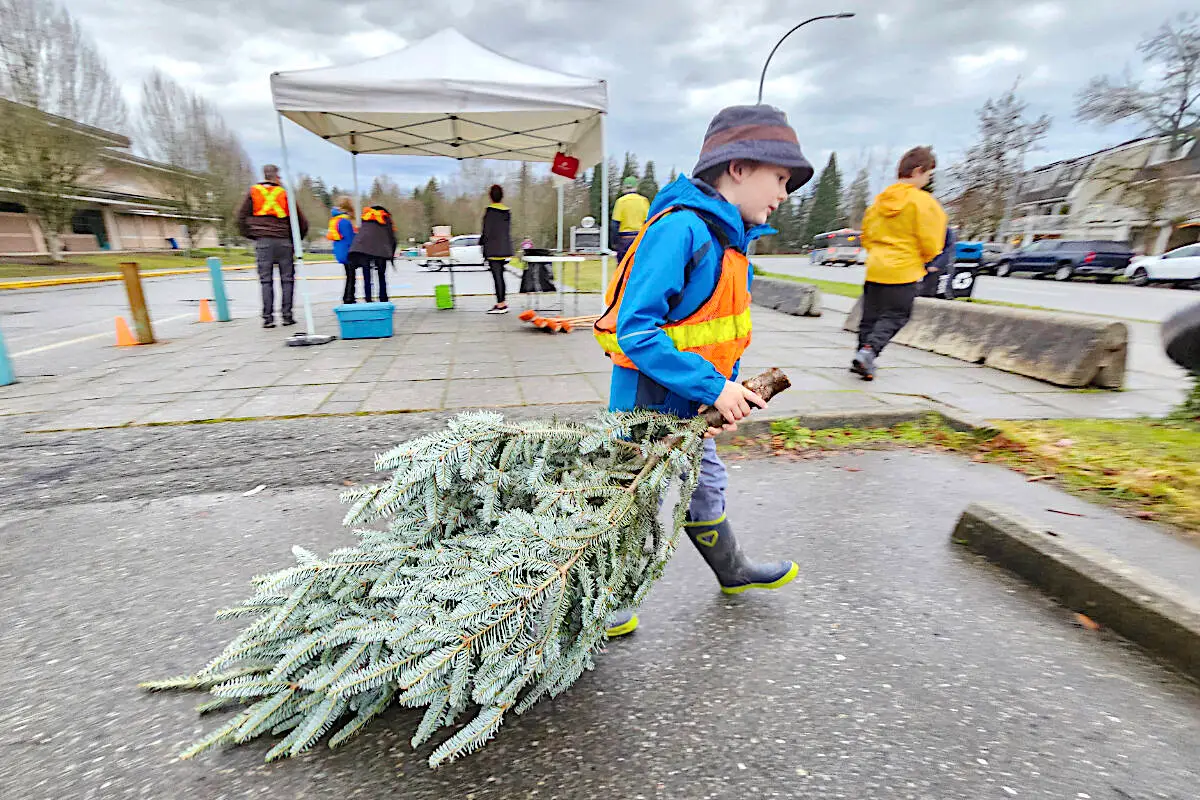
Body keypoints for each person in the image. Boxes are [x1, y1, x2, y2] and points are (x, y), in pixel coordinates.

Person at [593, 104, 813, 637]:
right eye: (779, 178)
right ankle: (602, 601)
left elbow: (713, 331)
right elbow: (637, 329)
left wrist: (725, 396)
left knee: (706, 486)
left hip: (693, 406)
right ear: (738, 168)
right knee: (631, 499)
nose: (784, 193)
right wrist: (713, 385)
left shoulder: (730, 243)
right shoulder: (681, 231)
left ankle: (732, 571)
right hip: (647, 406)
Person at [853, 146, 948, 380]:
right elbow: (932, 240)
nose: (927, 180)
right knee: (896, 315)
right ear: (918, 171)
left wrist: (877, 253)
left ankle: (862, 358)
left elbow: (866, 234)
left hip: (876, 268)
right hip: (904, 270)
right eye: (928, 175)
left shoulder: (878, 202)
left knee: (870, 317)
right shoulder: (923, 203)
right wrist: (926, 259)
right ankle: (869, 352)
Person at [237, 164, 308, 328]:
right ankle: (287, 316)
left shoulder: (253, 193)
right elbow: (301, 222)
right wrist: (294, 240)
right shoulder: (284, 194)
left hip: (263, 242)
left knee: (266, 281)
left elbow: (241, 218)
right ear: (276, 176)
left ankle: (268, 318)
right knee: (287, 280)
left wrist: (253, 235)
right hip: (283, 241)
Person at [347, 205, 396, 303]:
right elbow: (391, 237)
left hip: (363, 249)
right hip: (380, 250)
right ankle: (383, 299)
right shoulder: (385, 218)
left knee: (367, 276)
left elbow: (361, 234)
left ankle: (368, 301)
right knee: (381, 275)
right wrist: (391, 253)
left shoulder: (366, 218)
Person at [479, 184, 513, 314]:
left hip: (493, 249)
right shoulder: (507, 212)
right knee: (501, 276)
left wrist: (482, 242)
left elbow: (486, 231)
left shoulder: (490, 212)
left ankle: (501, 305)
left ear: (490, 196)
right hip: (504, 248)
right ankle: (502, 302)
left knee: (497, 277)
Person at [611, 175, 651, 265]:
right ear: (636, 187)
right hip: (639, 239)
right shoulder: (644, 201)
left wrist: (614, 243)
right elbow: (648, 223)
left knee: (622, 268)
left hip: (624, 240)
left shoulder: (621, 202)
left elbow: (615, 224)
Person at [327, 196, 359, 304]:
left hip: (340, 250)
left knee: (349, 275)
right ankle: (349, 298)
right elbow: (350, 238)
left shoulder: (335, 219)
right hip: (348, 251)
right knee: (351, 277)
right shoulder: (345, 221)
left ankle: (348, 297)